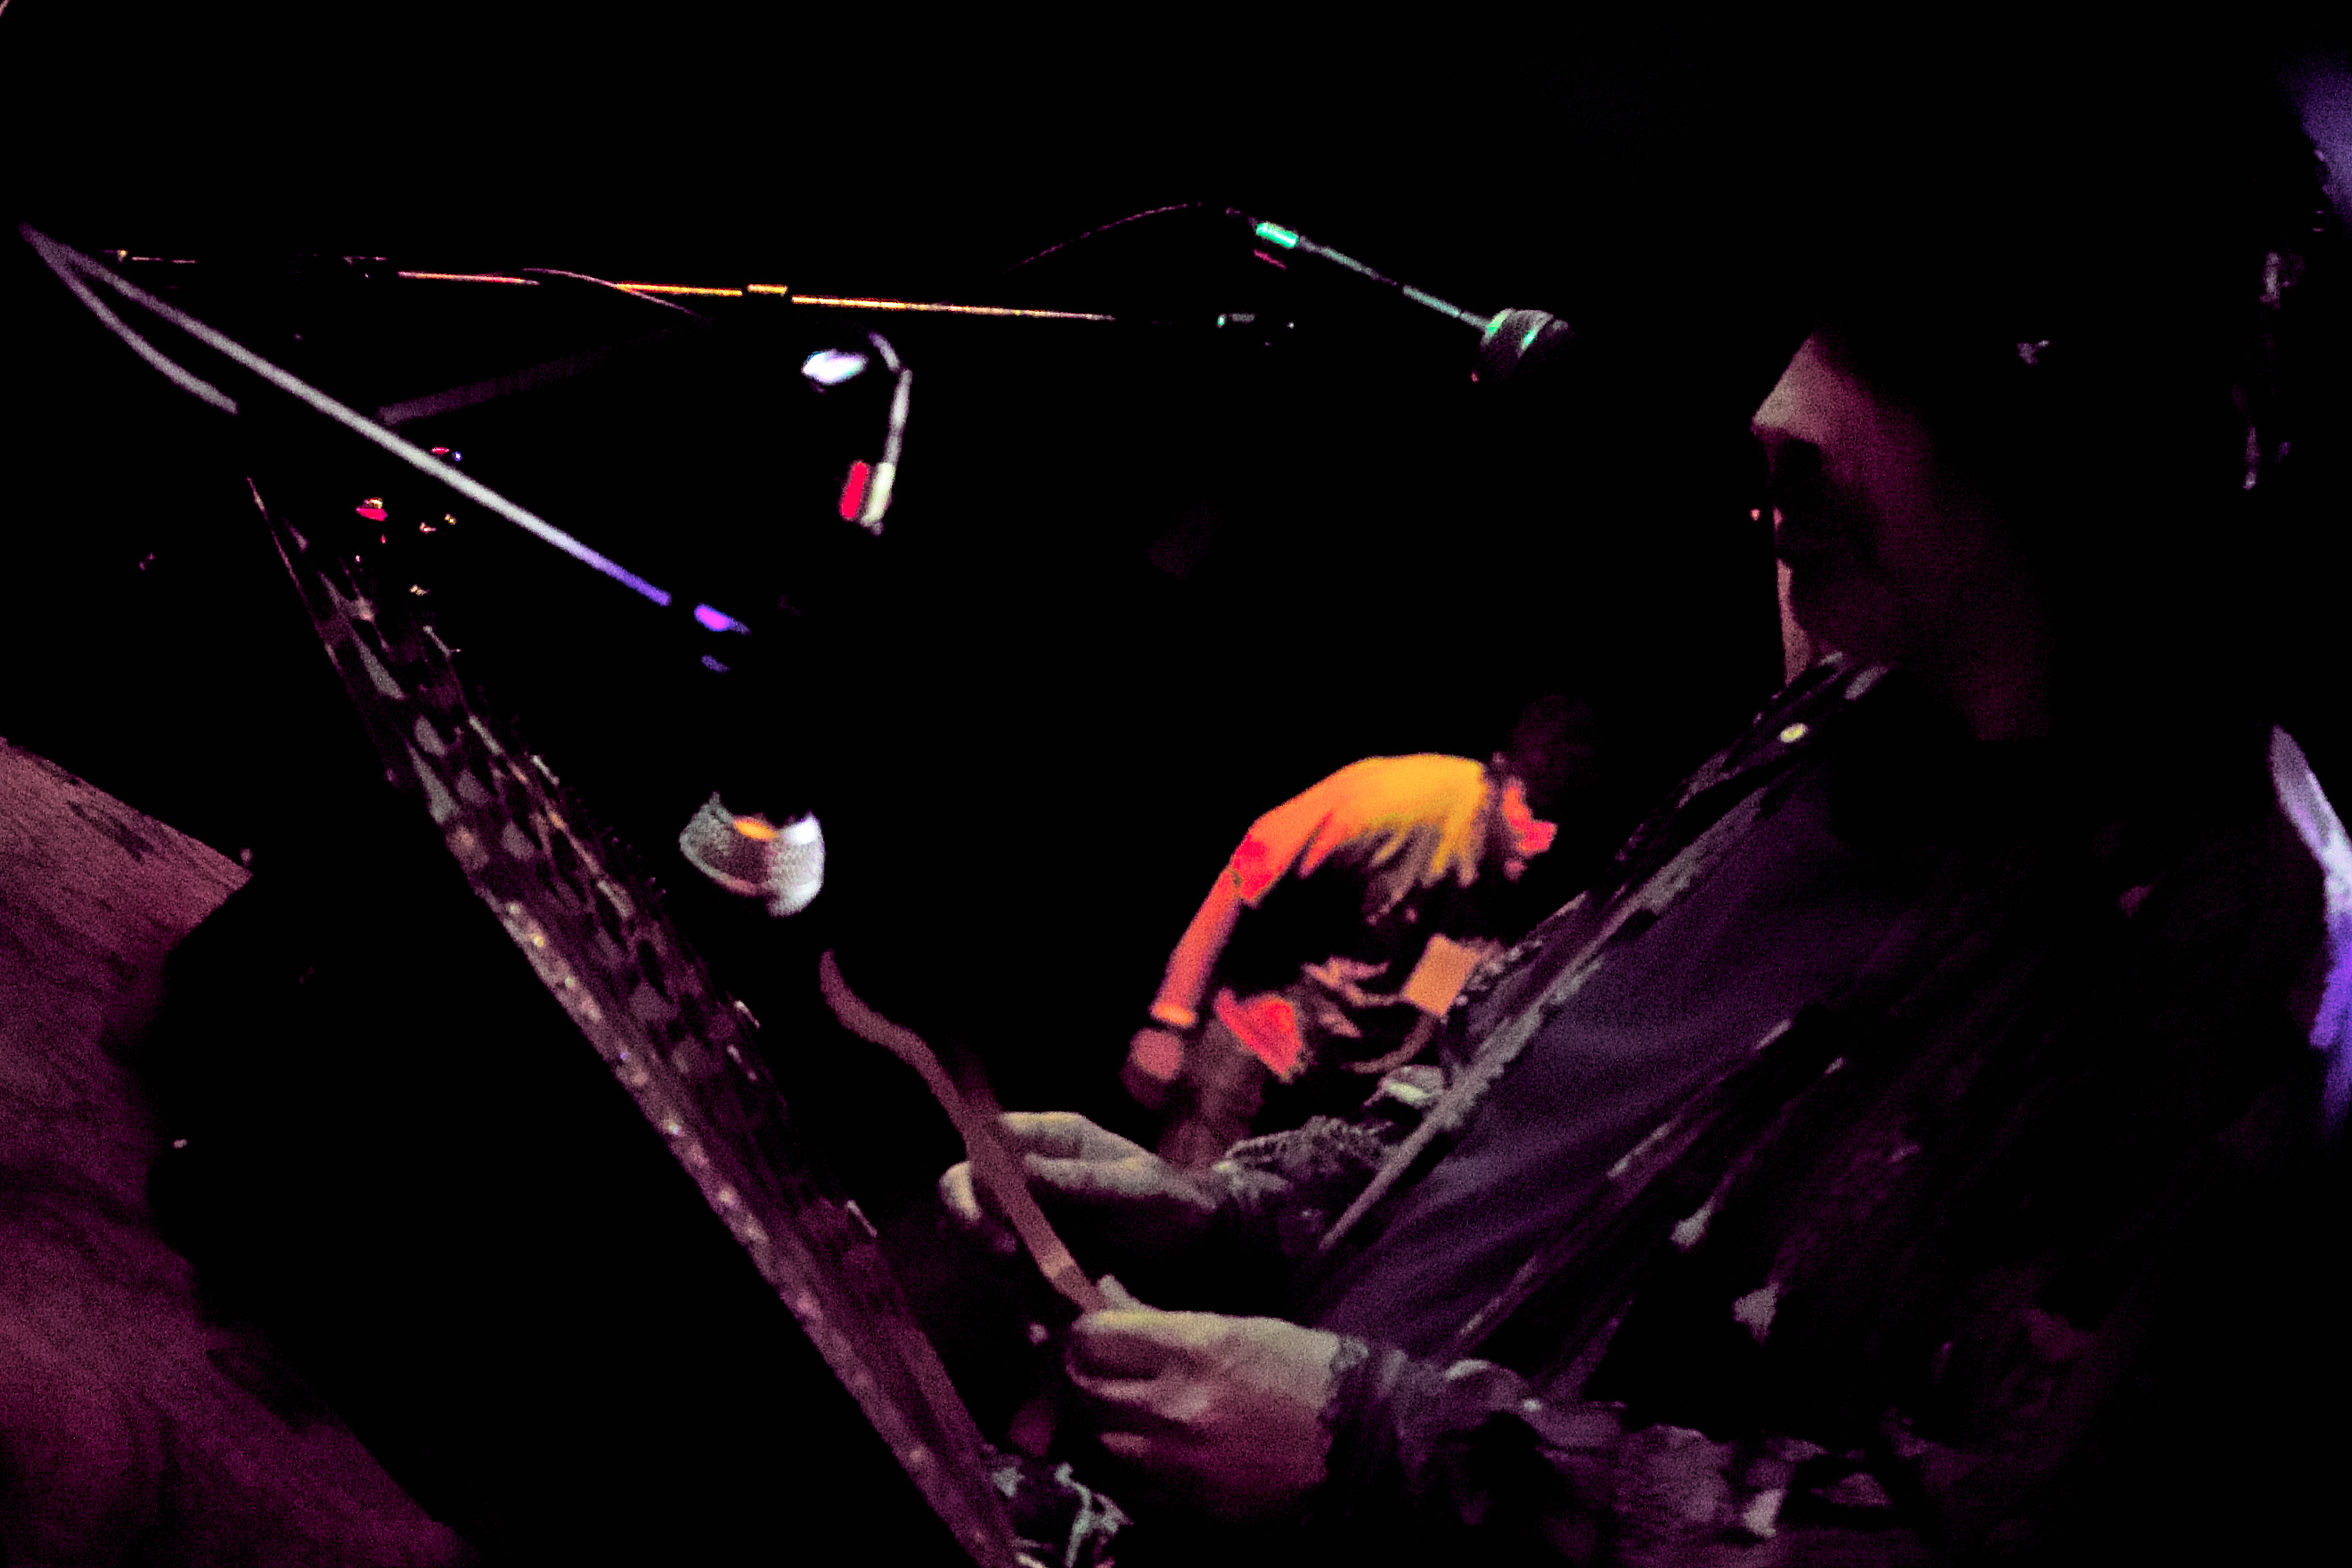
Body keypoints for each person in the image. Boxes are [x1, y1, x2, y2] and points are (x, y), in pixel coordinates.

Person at [940, 53, 2352, 1565]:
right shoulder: (1833, 712)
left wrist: (1374, 1448)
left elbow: (1964, 1528)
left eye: (1889, 351)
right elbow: (1484, 1120)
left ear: (2084, 433)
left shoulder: (2236, 939)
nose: (1780, 409)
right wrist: (1215, 1213)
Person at [1126, 698, 1597, 1168]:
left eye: (1558, 822)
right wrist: (1171, 1016)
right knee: (1184, 1198)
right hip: (1250, 1040)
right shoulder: (1394, 802)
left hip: (1337, 1095)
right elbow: (1242, 876)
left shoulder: (1516, 883)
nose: (1543, 841)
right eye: (1532, 809)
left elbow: (1436, 996)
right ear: (1501, 773)